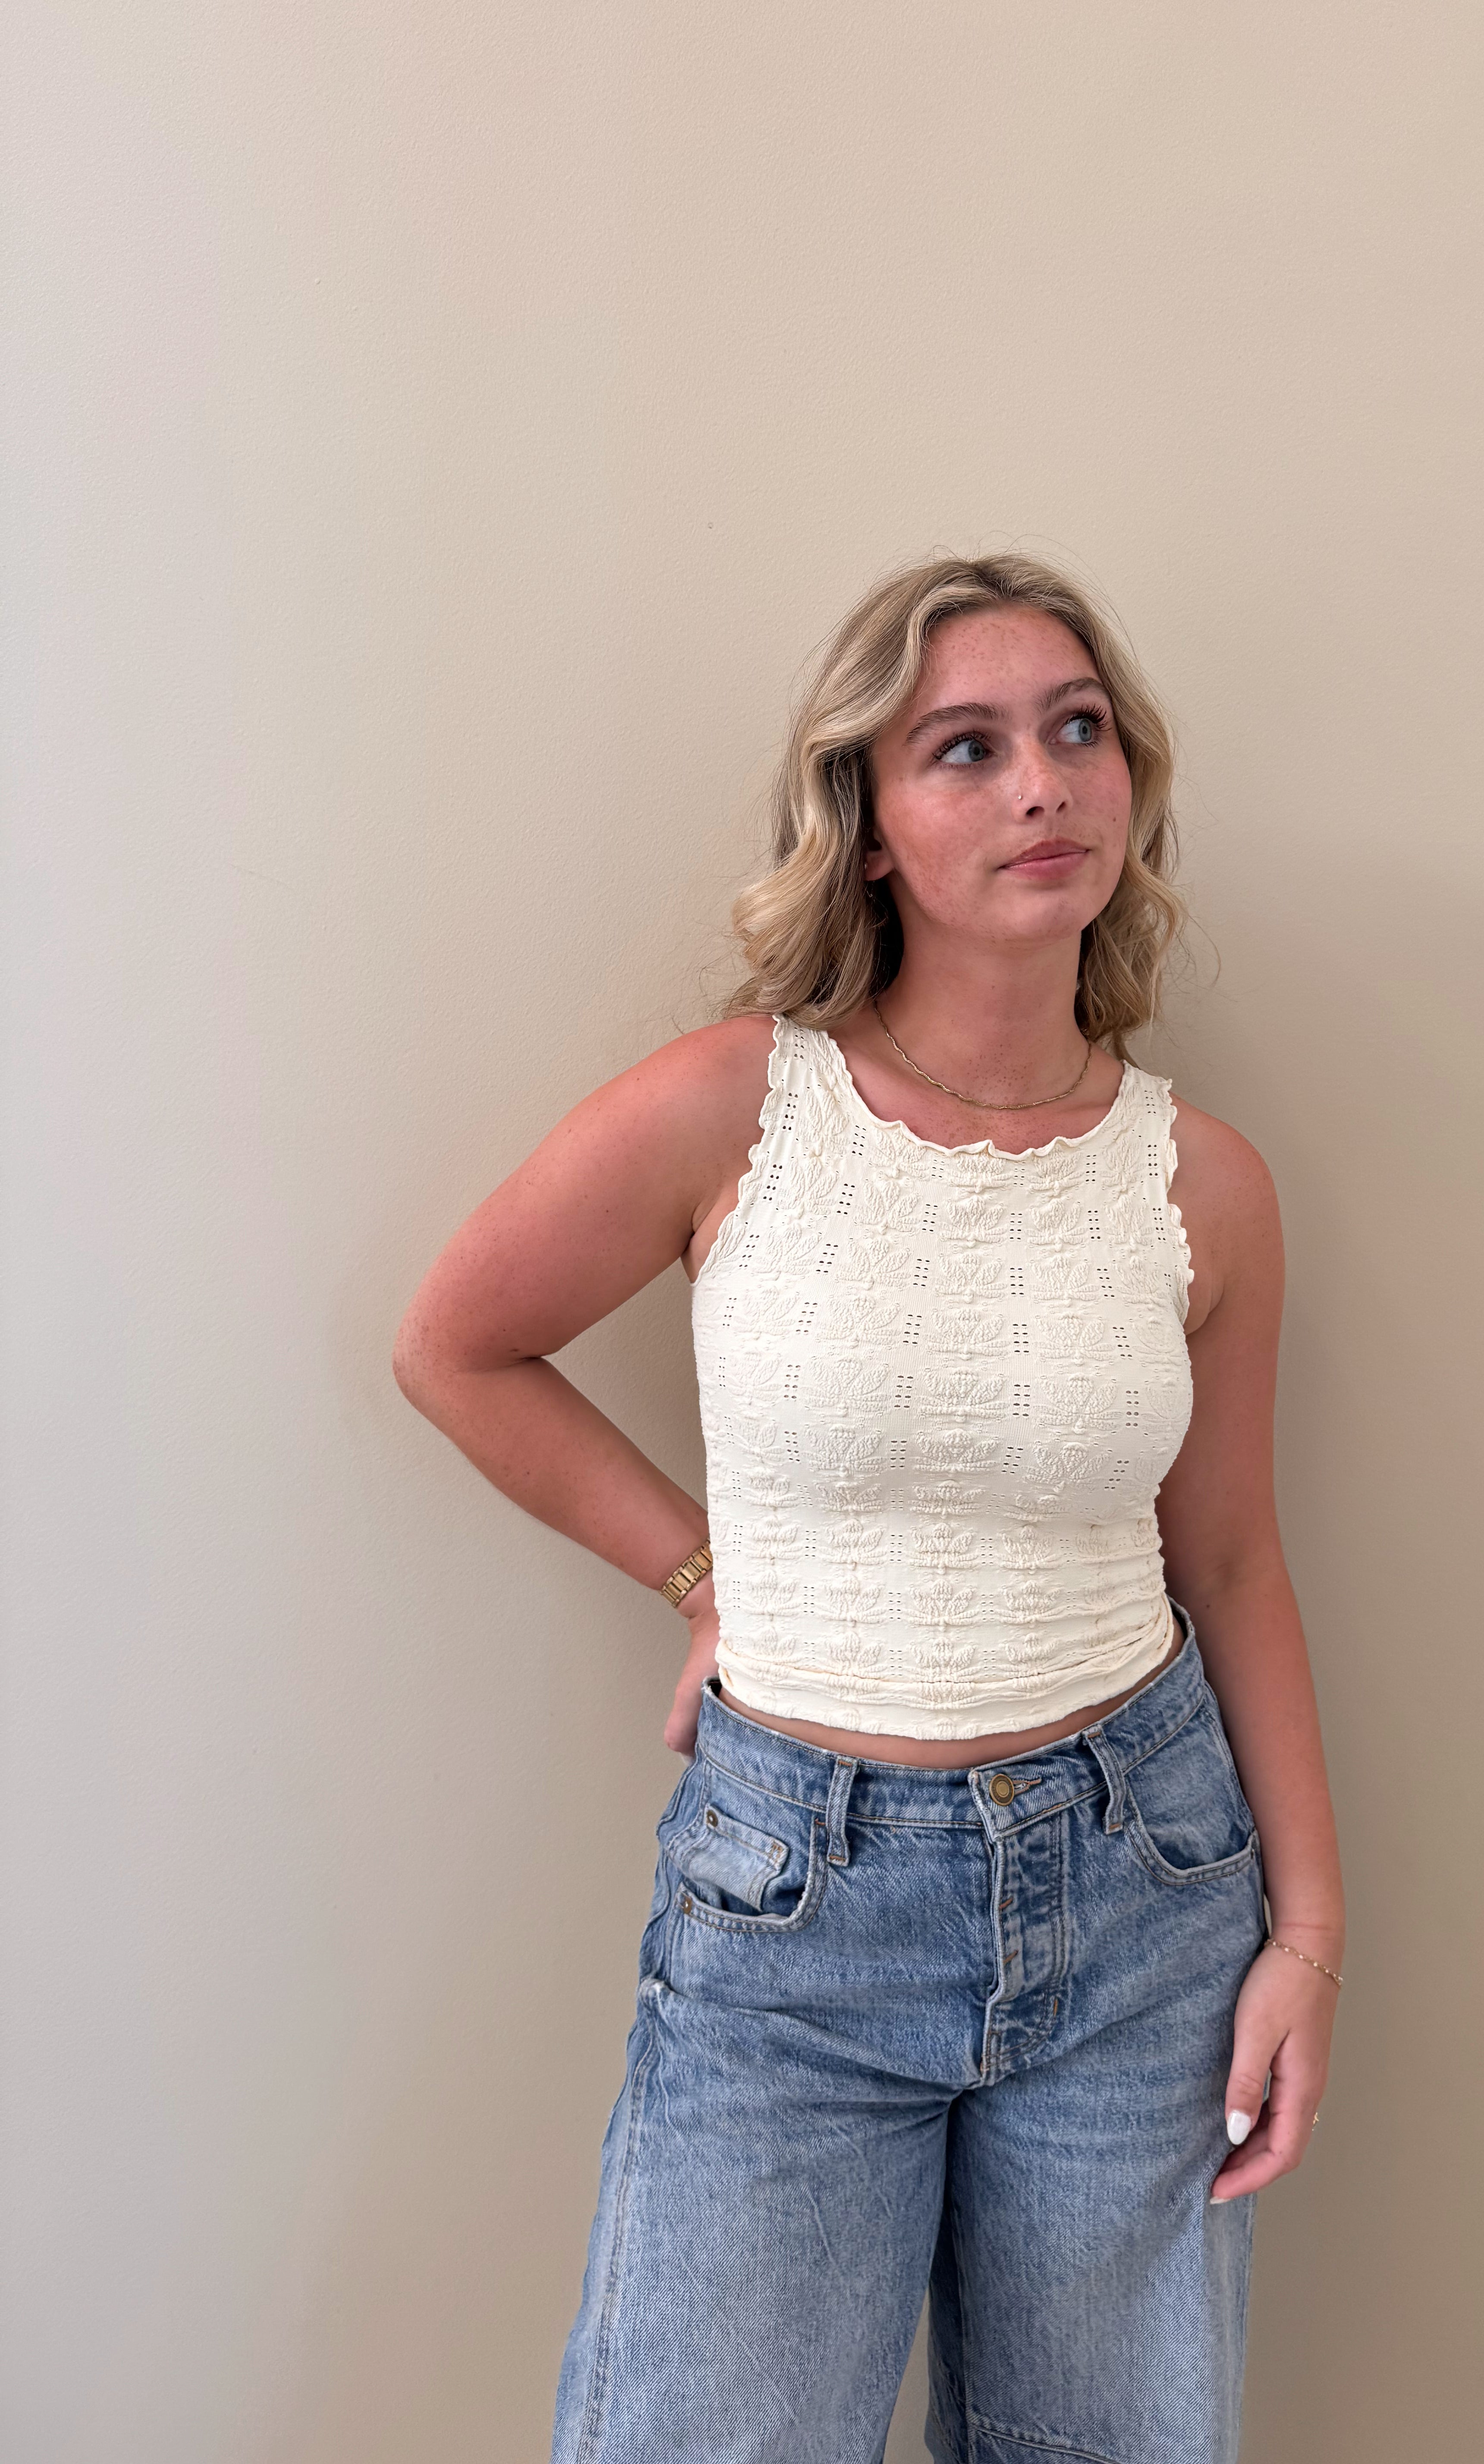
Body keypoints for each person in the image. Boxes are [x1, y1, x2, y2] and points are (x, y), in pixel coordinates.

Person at [393, 551, 1345, 2464]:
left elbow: (1232, 1559)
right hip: (793, 1915)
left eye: (1077, 732)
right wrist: (698, 1576)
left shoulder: (1206, 1186)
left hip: (1147, 1898)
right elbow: (458, 1348)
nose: (1042, 786)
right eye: (965, 748)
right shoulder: (735, 1108)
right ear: (871, 821)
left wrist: (1309, 1934)